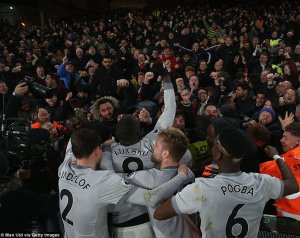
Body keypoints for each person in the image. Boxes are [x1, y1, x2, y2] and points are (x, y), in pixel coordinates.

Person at [154, 127, 298, 238]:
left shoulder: (201, 189)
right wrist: (276, 156)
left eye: (214, 144)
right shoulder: (262, 183)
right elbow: (293, 185)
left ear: (218, 154)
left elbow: (159, 214)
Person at [58, 128, 189, 238]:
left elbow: (71, 143)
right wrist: (182, 176)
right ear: (98, 151)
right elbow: (152, 198)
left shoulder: (64, 166)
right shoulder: (103, 181)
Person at [120, 127, 197, 238]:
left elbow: (118, 178)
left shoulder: (149, 178)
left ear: (165, 154)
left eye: (156, 145)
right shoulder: (189, 173)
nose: (153, 147)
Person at [260, 122, 300, 220]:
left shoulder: (286, 161)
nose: (281, 140)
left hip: (289, 219)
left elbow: (257, 170)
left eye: (285, 138)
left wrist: (275, 156)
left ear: (298, 141)